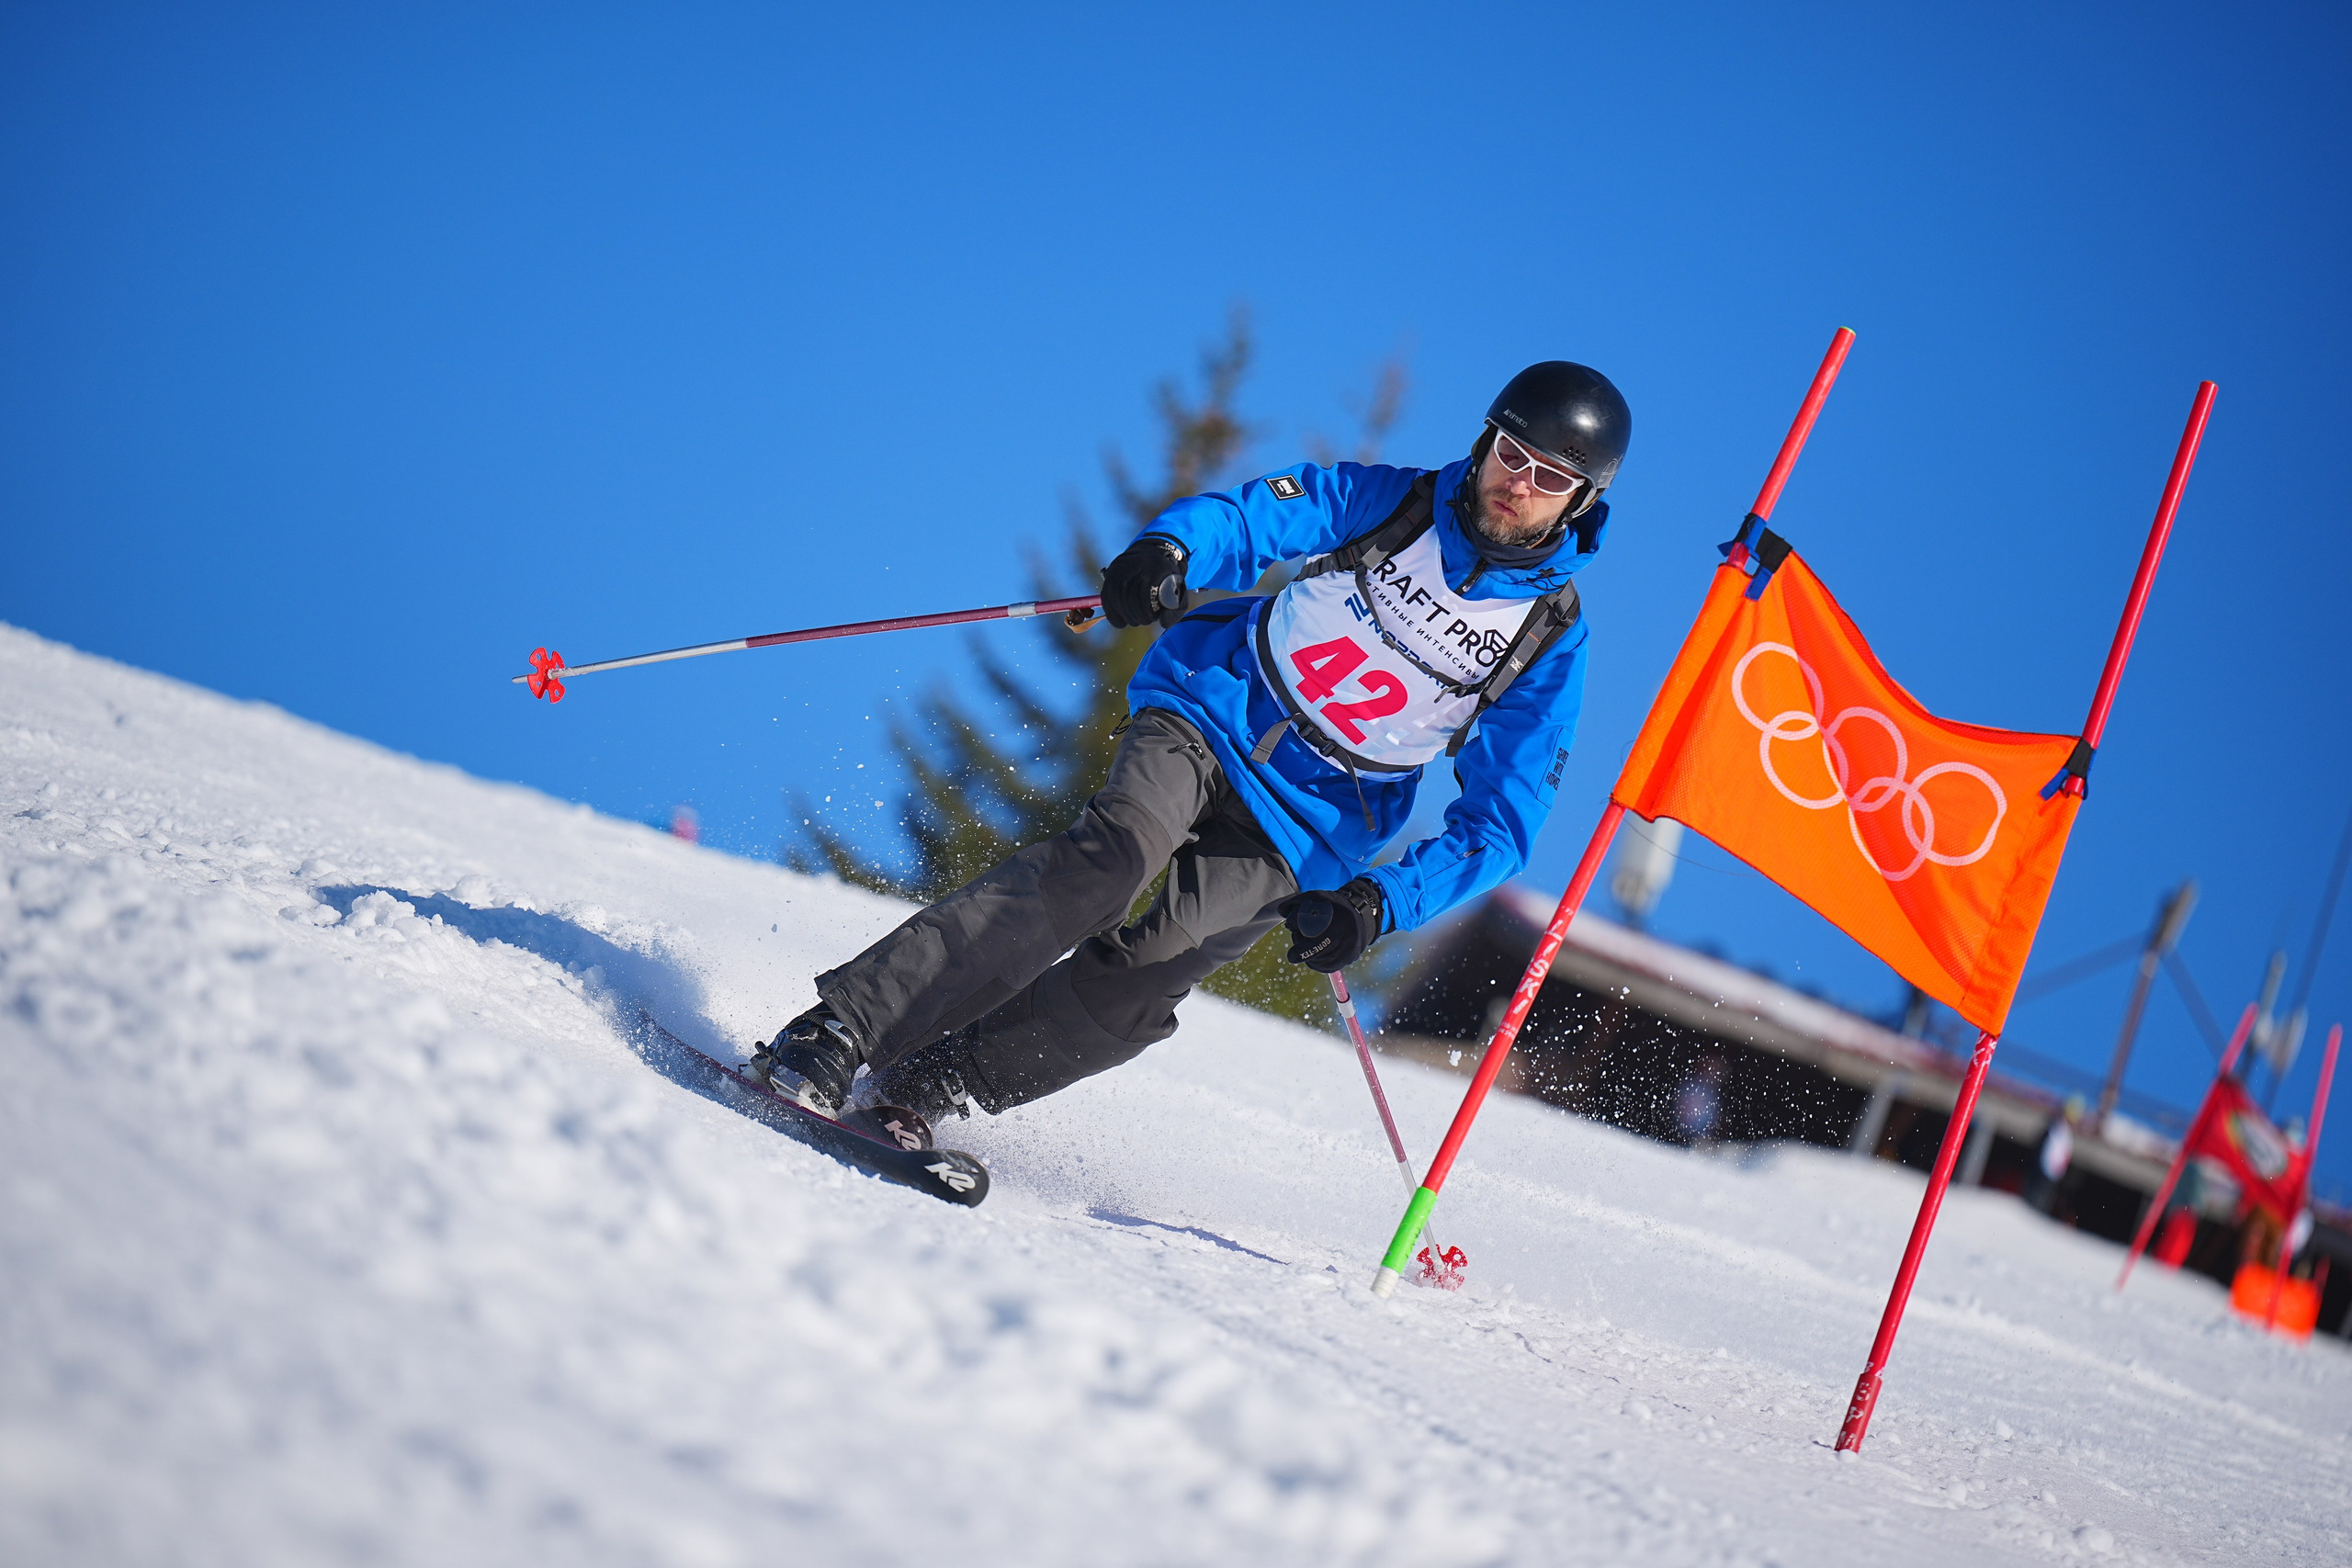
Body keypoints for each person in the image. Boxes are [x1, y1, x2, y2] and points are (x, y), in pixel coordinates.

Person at [752, 362, 1633, 1141]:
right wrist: (1171, 547)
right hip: (1215, 712)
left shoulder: (1549, 641)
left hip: (1311, 827)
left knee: (1144, 978)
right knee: (1113, 860)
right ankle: (841, 1029)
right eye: (1511, 454)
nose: (1518, 484)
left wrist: (1379, 902)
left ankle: (930, 1084)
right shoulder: (1395, 502)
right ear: (1484, 442)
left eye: (1549, 476)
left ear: (1581, 502)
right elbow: (1250, 517)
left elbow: (1500, 824)